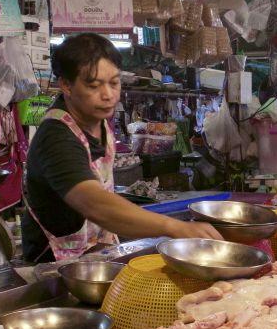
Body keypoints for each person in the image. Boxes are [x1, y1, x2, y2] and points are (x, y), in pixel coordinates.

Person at [22, 33, 221, 262]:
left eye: (114, 83)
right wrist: (174, 226)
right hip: (52, 264)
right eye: (94, 85)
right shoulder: (56, 137)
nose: (108, 95)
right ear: (66, 85)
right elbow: (94, 203)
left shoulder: (98, 120)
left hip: (96, 252)